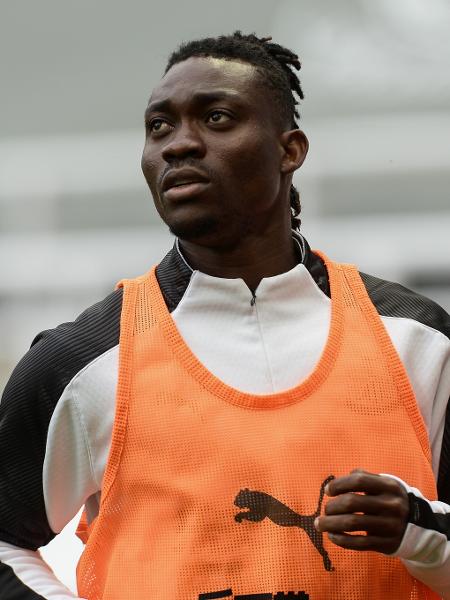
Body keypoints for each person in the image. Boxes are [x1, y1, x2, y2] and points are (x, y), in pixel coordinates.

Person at [0, 31, 449, 600]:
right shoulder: (81, 359)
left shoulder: (420, 340)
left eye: (215, 117)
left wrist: (422, 533)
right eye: (159, 127)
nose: (178, 145)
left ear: (290, 150)